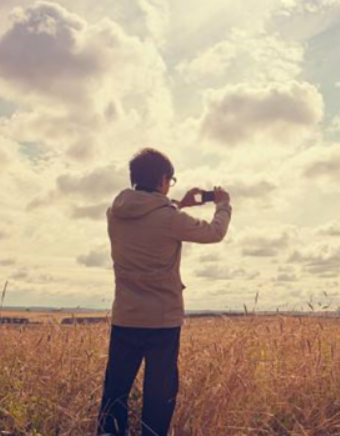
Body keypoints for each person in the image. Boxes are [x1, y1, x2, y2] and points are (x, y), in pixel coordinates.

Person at [96, 148, 232, 436]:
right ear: (161, 179)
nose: (170, 185)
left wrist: (179, 203)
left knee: (115, 393)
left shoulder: (114, 214)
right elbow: (214, 233)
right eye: (170, 180)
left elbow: (150, 218)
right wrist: (223, 204)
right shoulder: (171, 219)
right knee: (159, 397)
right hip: (162, 322)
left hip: (125, 318)